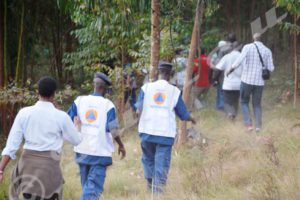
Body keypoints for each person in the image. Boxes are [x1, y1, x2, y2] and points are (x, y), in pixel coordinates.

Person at [0, 76, 82, 200]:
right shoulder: (61, 117)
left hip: (27, 170)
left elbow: (11, 146)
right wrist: (76, 127)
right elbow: (76, 140)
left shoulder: (24, 113)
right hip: (49, 172)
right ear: (54, 94)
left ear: (37, 92)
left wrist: (0, 169)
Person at [135, 61, 196, 193]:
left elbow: (138, 109)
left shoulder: (146, 88)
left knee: (148, 159)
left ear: (158, 73)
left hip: (147, 131)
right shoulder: (174, 91)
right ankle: (157, 192)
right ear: (170, 74)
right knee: (161, 163)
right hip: (164, 134)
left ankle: (150, 183)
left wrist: (139, 115)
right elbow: (183, 114)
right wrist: (191, 118)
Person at [68, 72, 126, 200]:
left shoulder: (79, 101)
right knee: (92, 189)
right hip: (99, 152)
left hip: (81, 150)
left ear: (94, 85)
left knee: (87, 186)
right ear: (104, 88)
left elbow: (68, 121)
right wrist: (121, 145)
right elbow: (113, 129)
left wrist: (75, 125)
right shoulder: (108, 105)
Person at [228, 33, 274, 132]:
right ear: (262, 39)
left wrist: (230, 70)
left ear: (254, 38)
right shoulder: (267, 50)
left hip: (247, 80)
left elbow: (239, 61)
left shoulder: (247, 47)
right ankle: (258, 126)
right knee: (257, 104)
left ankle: (249, 125)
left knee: (244, 102)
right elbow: (271, 68)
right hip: (259, 82)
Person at [216, 41, 242, 120]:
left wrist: (214, 79)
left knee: (227, 101)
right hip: (239, 84)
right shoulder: (242, 57)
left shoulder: (227, 56)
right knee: (235, 100)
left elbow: (218, 68)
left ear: (231, 48)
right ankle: (234, 114)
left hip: (228, 84)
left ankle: (230, 113)